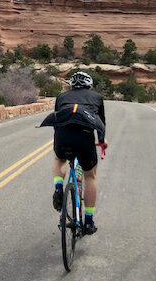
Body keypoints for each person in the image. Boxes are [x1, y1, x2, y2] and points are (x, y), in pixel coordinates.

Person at [48, 71, 107, 235]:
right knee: (90, 176)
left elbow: (56, 119)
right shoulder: (96, 97)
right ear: (89, 85)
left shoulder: (61, 97)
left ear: (71, 85)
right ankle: (88, 221)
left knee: (59, 159)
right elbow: (100, 124)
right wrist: (102, 141)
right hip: (84, 137)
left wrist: (59, 138)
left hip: (63, 135)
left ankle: (59, 187)